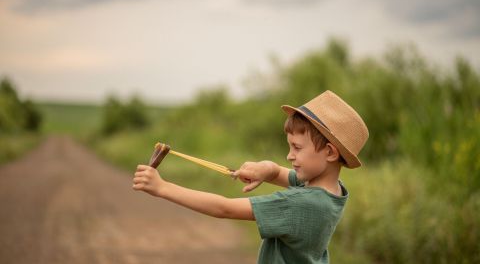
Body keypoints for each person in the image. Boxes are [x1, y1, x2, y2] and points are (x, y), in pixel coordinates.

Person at [132, 90, 369, 263]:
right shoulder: (330, 190)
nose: (289, 156)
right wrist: (266, 169)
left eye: (297, 148)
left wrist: (163, 188)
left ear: (329, 152)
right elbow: (279, 173)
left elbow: (224, 208)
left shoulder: (302, 203)